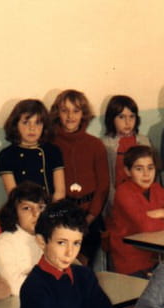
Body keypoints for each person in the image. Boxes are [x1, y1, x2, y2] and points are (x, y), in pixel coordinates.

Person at [50, 89, 110, 263]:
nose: (70, 116)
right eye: (65, 110)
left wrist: (90, 217)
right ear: (57, 113)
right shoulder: (50, 144)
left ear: (83, 114)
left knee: (85, 266)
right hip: (62, 216)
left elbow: (103, 185)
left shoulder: (95, 145)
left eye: (76, 111)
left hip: (90, 215)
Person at [106, 145, 164, 276]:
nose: (146, 174)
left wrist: (163, 213)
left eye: (150, 168)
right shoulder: (123, 192)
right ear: (128, 171)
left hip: (155, 257)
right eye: (139, 169)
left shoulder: (156, 189)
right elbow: (145, 226)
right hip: (130, 260)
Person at [0, 182, 50, 295]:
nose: (36, 214)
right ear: (14, 213)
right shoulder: (4, 244)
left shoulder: (48, 238)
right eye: (27, 208)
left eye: (41, 207)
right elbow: (15, 287)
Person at [0, 99, 65, 201]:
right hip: (22, 207)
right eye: (26, 123)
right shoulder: (7, 155)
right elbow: (13, 196)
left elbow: (60, 192)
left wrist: (52, 209)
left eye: (37, 123)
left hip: (51, 206)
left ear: (44, 126)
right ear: (15, 125)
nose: (32, 128)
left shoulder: (53, 151)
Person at [101, 95, 152, 209]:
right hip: (117, 199)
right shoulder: (105, 144)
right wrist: (114, 202)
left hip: (143, 197)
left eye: (131, 116)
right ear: (111, 119)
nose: (128, 122)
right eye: (121, 117)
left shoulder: (144, 141)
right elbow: (106, 181)